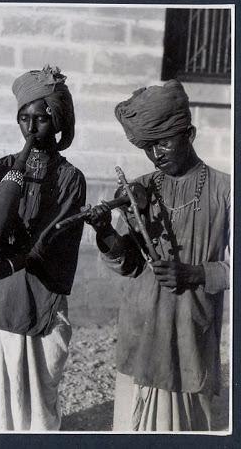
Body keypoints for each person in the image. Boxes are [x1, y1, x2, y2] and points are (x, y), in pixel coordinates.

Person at [84, 80, 230, 431]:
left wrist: (195, 274)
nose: (156, 154)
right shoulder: (140, 190)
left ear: (190, 133)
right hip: (142, 332)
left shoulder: (226, 191)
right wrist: (104, 231)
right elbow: (131, 264)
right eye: (148, 146)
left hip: (190, 335)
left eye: (164, 141)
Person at [0, 65, 86, 431]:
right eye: (24, 118)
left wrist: (7, 263)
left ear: (56, 123)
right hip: (1, 301)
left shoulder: (70, 178)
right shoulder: (0, 170)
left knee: (37, 409)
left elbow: (51, 239)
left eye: (41, 119)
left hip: (39, 300)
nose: (31, 128)